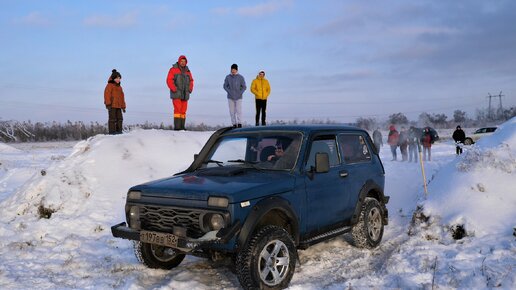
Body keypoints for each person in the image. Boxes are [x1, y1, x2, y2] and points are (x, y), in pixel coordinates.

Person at [167, 55, 194, 130]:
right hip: (176, 94)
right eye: (181, 61)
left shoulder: (188, 71)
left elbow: (191, 80)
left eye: (184, 61)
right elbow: (169, 80)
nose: (183, 63)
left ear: (186, 62)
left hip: (185, 94)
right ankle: (177, 127)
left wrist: (190, 89)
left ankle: (182, 127)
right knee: (177, 110)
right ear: (179, 61)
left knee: (183, 111)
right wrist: (174, 88)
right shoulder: (173, 69)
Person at [223, 64, 246, 128]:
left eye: (234, 70)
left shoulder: (240, 77)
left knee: (239, 111)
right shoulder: (228, 77)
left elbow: (244, 87)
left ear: (236, 70)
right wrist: (229, 91)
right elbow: (225, 86)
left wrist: (240, 93)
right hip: (230, 97)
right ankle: (234, 124)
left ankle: (239, 123)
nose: (233, 71)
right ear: (231, 70)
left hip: (239, 97)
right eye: (232, 69)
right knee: (232, 111)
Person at [104, 69, 126, 134]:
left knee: (120, 119)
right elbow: (107, 94)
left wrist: (123, 106)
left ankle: (119, 131)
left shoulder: (120, 88)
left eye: (119, 78)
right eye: (117, 78)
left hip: (119, 106)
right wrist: (108, 104)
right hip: (112, 106)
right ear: (113, 78)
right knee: (112, 119)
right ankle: (112, 132)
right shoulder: (109, 86)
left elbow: (122, 97)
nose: (118, 79)